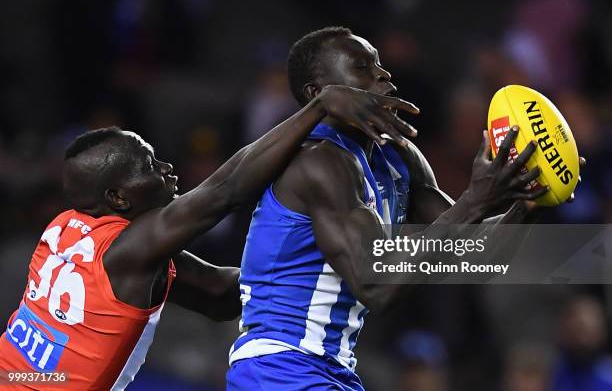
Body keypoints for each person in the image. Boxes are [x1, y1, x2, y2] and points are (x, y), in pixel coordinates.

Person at [227, 27, 581, 390]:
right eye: (362, 66)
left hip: (329, 369)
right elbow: (377, 284)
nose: (383, 74)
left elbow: (479, 256)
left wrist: (526, 204)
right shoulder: (317, 164)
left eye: (379, 64)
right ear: (318, 94)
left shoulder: (397, 157)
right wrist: (475, 200)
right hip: (278, 365)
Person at [0, 85, 418, 390]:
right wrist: (318, 107)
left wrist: (305, 271)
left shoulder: (67, 228)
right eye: (148, 165)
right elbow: (226, 189)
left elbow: (219, 295)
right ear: (117, 197)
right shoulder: (129, 250)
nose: (166, 167)